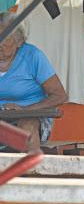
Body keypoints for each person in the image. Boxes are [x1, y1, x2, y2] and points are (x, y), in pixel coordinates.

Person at [0, 12, 68, 152]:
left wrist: (26, 109)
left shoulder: (32, 56)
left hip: (32, 116)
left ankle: (28, 165)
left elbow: (60, 96)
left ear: (19, 41)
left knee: (27, 129)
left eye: (4, 38)